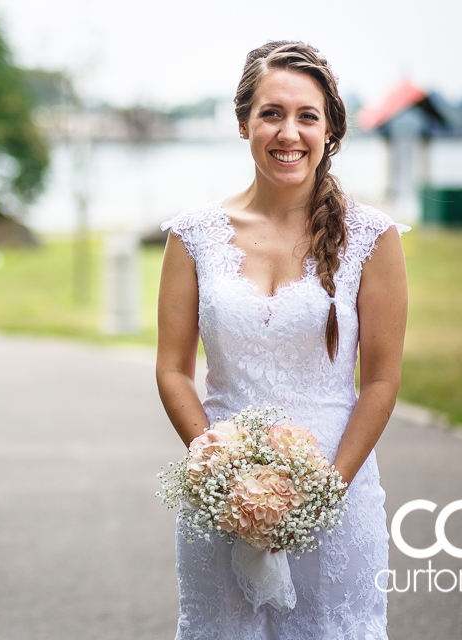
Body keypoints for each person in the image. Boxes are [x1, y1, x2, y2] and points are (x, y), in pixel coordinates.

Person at [155, 41, 408, 639]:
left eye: (307, 116)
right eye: (271, 113)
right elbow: (172, 368)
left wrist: (326, 492)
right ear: (243, 121)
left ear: (330, 130)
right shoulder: (192, 237)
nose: (288, 132)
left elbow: (380, 380)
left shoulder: (373, 239)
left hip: (337, 497)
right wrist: (220, 470)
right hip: (223, 505)